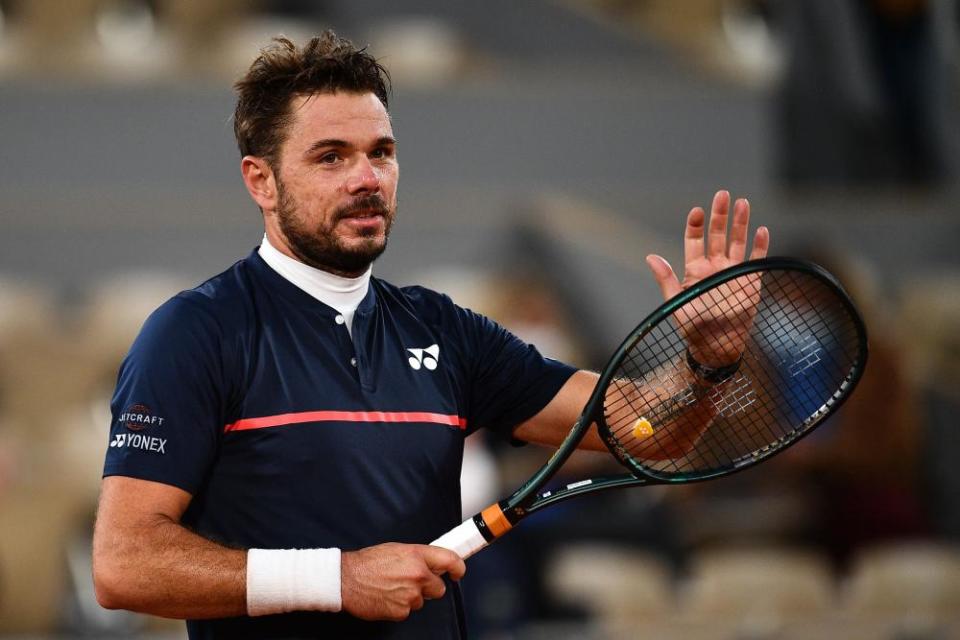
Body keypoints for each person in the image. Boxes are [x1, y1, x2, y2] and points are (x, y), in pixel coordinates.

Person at [91, 31, 769, 639]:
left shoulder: (444, 329)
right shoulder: (194, 332)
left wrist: (705, 364)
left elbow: (646, 430)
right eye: (331, 157)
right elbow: (125, 565)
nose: (366, 178)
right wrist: (338, 579)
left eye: (380, 153)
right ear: (260, 181)